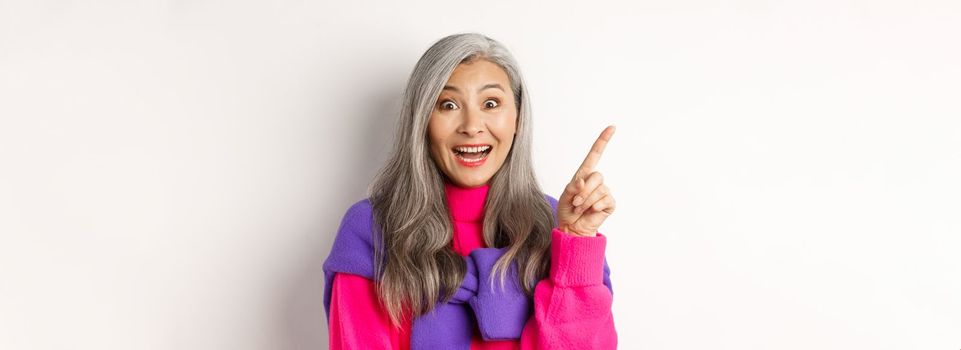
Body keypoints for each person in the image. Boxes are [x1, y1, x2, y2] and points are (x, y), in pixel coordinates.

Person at [323, 33, 618, 349]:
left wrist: (576, 243)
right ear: (422, 121)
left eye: (491, 103)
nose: (472, 125)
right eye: (448, 104)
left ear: (517, 117)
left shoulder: (557, 226)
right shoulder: (373, 228)